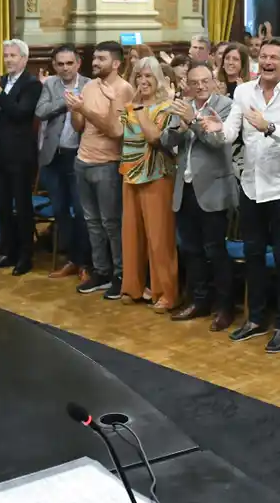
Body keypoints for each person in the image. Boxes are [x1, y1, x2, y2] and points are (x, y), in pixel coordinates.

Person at [226, 37, 280, 353]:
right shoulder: (243, 92)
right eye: (263, 56)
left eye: (274, 57)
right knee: (252, 256)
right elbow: (229, 132)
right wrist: (208, 126)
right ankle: (255, 319)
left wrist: (270, 127)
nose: (267, 61)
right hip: (251, 188)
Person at [161, 63, 238, 329]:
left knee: (215, 249)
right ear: (188, 85)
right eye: (195, 82)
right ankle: (199, 300)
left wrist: (193, 121)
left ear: (214, 81)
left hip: (214, 189)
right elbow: (165, 141)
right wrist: (180, 129)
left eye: (205, 81)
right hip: (185, 187)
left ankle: (225, 307)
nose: (201, 86)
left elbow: (217, 141)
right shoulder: (184, 105)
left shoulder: (226, 106)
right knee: (190, 249)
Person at [69, 41, 135, 297]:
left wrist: (83, 109)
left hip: (107, 164)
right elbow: (78, 126)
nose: (95, 62)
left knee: (111, 223)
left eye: (101, 59)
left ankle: (120, 274)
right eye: (94, 58)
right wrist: (74, 109)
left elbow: (114, 131)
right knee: (92, 222)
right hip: (83, 160)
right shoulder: (89, 86)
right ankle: (101, 271)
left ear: (116, 63)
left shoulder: (124, 89)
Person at [115, 58, 179, 311]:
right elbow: (116, 132)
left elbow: (154, 138)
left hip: (157, 175)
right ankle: (132, 287)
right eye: (139, 76)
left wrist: (139, 109)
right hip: (130, 174)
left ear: (158, 80)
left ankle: (166, 293)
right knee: (131, 235)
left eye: (148, 76)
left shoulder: (166, 108)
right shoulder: (129, 106)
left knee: (159, 238)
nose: (143, 81)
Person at [0, 39, 44, 275]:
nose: (8, 60)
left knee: (22, 206)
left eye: (13, 56)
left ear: (24, 59)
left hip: (19, 154)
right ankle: (8, 252)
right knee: (2, 205)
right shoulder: (2, 80)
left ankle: (25, 256)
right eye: (6, 55)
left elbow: (20, 113)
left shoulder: (32, 84)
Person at [36, 45, 90, 279]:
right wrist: (64, 103)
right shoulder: (50, 84)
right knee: (60, 210)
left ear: (78, 63)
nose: (65, 68)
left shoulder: (90, 85)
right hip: (53, 156)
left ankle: (85, 262)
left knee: (80, 210)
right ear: (54, 65)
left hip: (79, 155)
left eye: (69, 63)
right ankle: (70, 259)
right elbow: (40, 111)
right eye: (60, 64)